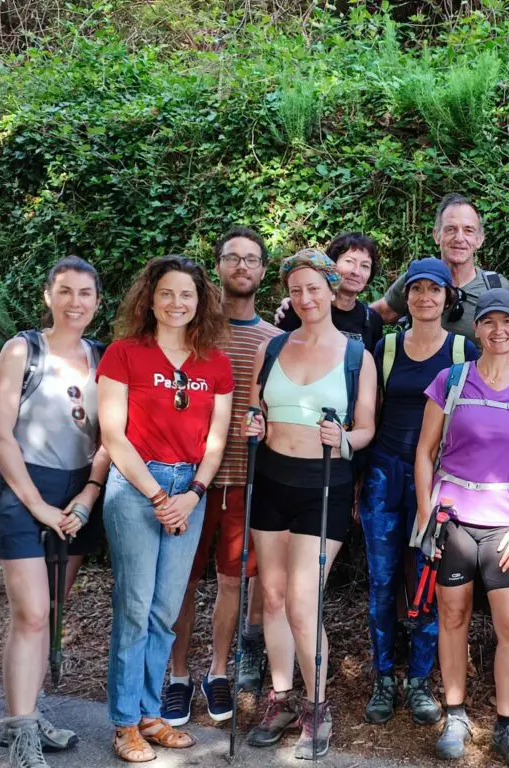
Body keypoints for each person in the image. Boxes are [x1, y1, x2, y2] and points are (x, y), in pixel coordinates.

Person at [97, 255, 233, 763]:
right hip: (136, 488)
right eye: (167, 294)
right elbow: (113, 435)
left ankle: (151, 715)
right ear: (149, 299)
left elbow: (216, 441)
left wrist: (192, 493)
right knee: (134, 608)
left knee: (163, 612)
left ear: (201, 302)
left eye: (187, 295)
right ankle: (124, 722)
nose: (177, 303)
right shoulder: (124, 354)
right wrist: (158, 495)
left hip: (189, 491)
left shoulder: (214, 362)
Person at [243, 249, 377, 759]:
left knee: (302, 601)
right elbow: (256, 408)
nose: (306, 298)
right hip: (272, 479)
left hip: (324, 482)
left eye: (314, 288)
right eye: (296, 290)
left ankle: (317, 706)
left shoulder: (355, 356)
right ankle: (280, 696)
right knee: (272, 597)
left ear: (330, 287)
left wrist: (343, 438)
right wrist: (254, 424)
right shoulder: (272, 348)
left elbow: (367, 428)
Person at [413, 288, 509, 768]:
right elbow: (425, 451)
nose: (499, 331)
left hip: (507, 526)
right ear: (477, 329)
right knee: (452, 619)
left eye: (508, 322)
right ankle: (455, 715)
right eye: (489, 322)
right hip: (453, 519)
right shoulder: (450, 381)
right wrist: (425, 512)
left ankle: (507, 728)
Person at [0, 257, 110, 768]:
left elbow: (110, 439)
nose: (75, 303)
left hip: (77, 494)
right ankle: (19, 730)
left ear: (98, 302)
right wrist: (38, 504)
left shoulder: (103, 358)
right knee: (32, 613)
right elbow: (1, 436)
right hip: (24, 490)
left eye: (85, 294)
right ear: (48, 296)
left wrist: (87, 496)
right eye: (65, 292)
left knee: (53, 612)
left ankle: (29, 711)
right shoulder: (23, 349)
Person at [165, 227, 282, 726]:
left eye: (251, 260)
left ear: (261, 271)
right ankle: (176, 676)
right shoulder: (194, 331)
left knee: (231, 581)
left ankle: (216, 672)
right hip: (186, 479)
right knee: (180, 582)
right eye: (232, 258)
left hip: (244, 478)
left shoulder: (277, 340)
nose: (241, 267)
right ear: (217, 266)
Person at [360, 257, 478, 725]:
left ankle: (420, 681)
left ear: (449, 297)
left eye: (434, 290)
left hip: (438, 481)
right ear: (405, 297)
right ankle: (384, 677)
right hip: (385, 476)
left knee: (429, 581)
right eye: (416, 290)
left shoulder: (462, 351)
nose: (424, 298)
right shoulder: (384, 348)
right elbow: (371, 414)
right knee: (384, 581)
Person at [371, 194, 509, 340]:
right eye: (450, 229)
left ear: (479, 239)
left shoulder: (496, 287)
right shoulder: (418, 279)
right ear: (436, 235)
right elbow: (381, 313)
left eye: (468, 230)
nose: (459, 238)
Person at [274, 232, 385, 352]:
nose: (356, 272)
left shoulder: (372, 320)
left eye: (365, 266)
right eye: (349, 261)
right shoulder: (304, 308)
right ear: (331, 265)